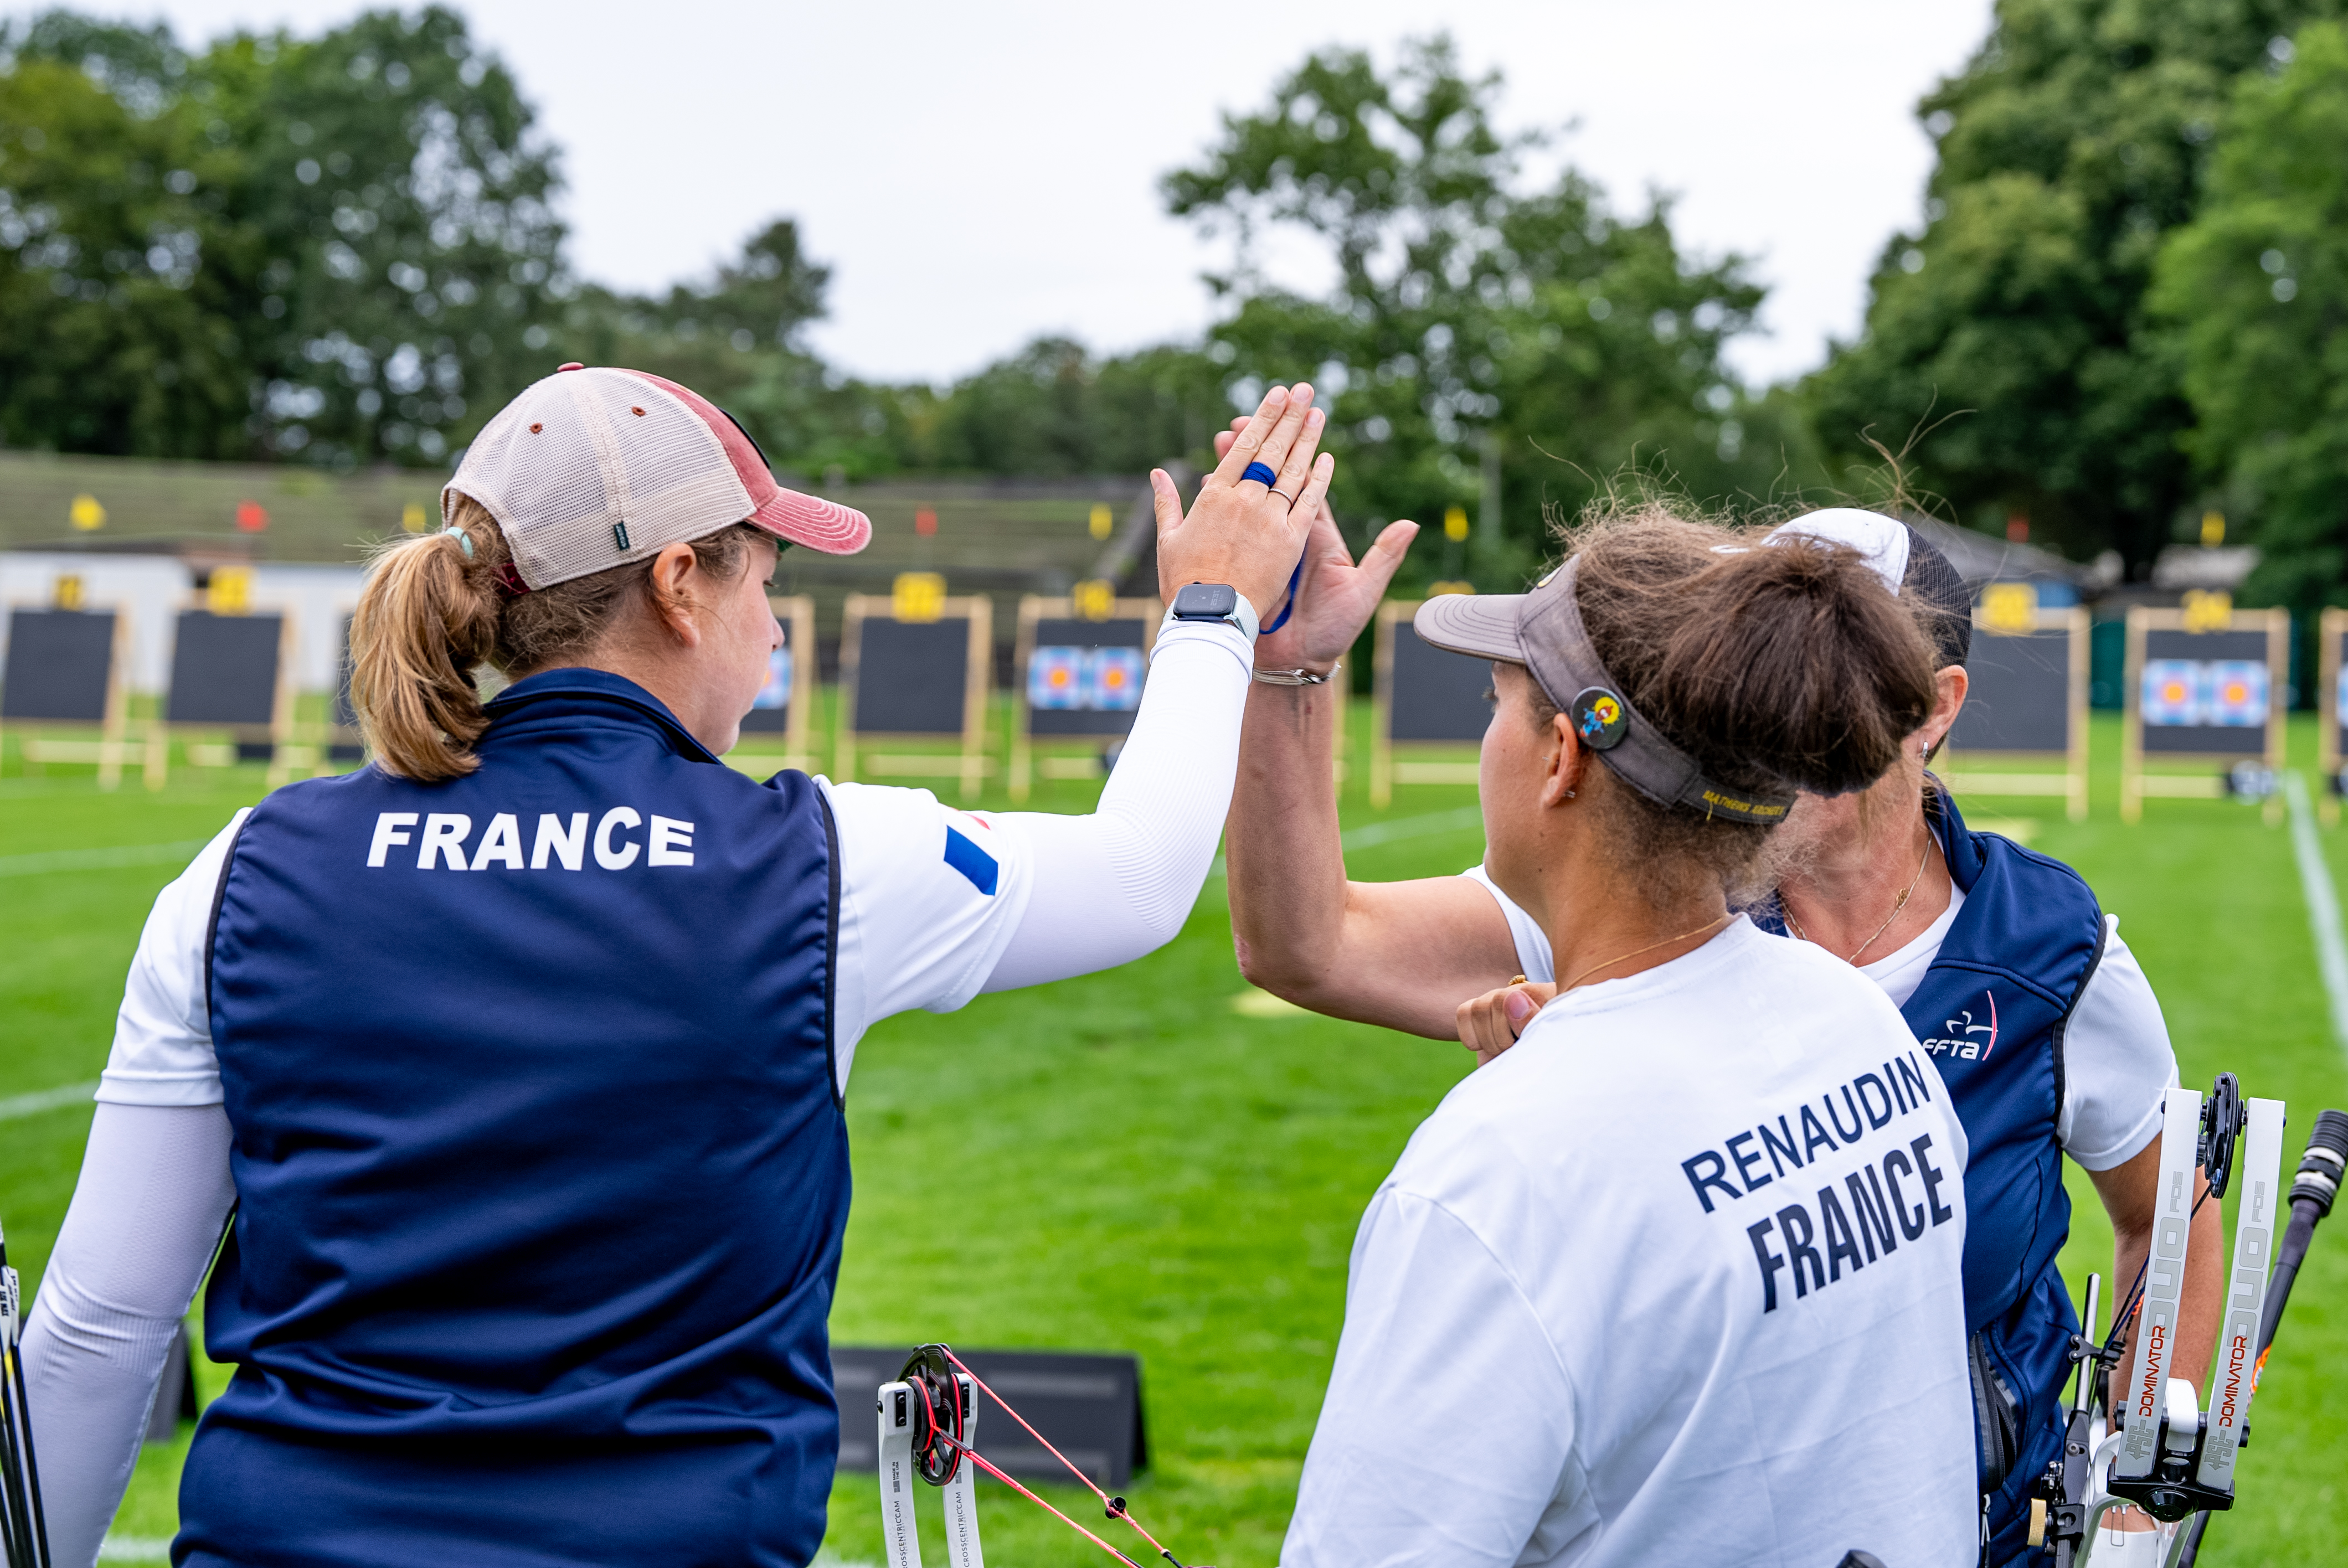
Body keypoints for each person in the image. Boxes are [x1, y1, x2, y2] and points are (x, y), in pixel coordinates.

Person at [22, 365, 1333, 1568]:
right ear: (676, 583)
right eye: (762, 580)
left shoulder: (243, 869)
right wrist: (1213, 607)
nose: (772, 632)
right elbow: (1138, 877)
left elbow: (97, 1334)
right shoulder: (823, 862)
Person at [1223, 482, 2221, 1563]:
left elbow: (2172, 1221)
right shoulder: (1737, 957)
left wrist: (2128, 1508)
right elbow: (1308, 946)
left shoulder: (2022, 953)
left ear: (1930, 705)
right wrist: (1605, 1076)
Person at [1274, 512, 1979, 1567]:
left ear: (1562, 758)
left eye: (1498, 708)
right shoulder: (1854, 1023)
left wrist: (1559, 1132)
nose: (1488, 741)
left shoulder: (1495, 1180)